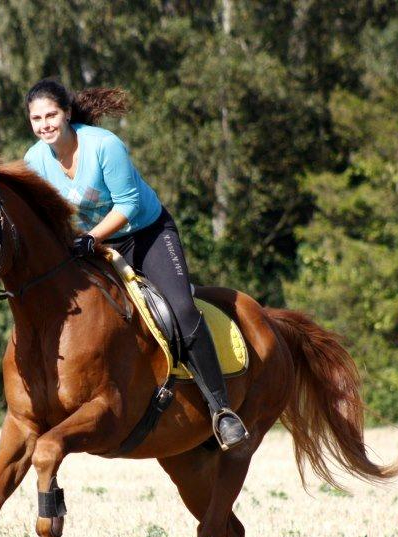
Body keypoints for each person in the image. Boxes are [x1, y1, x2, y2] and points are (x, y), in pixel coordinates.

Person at [22, 78, 248, 450]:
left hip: (145, 234)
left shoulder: (103, 146)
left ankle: (222, 412)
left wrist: (91, 238)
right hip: (90, 244)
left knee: (181, 309)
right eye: (36, 118)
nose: (45, 124)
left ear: (67, 115)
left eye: (51, 115)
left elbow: (127, 206)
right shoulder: (34, 160)